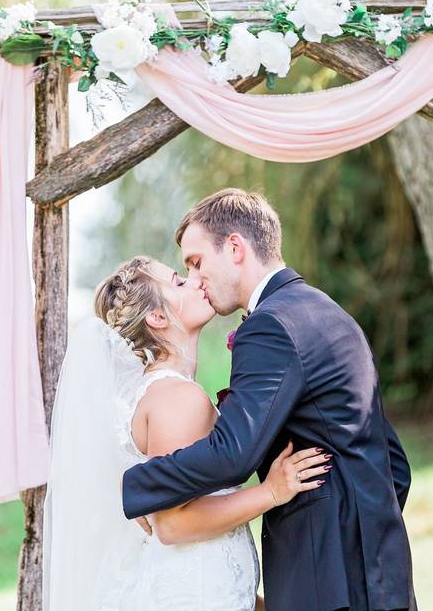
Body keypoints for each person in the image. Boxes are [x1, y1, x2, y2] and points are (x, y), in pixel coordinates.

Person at [121, 188, 415, 611]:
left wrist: (137, 484)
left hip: (326, 588)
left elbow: (235, 454)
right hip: (380, 579)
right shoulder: (327, 311)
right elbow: (394, 465)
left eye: (197, 262)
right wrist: (364, 543)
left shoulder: (271, 325)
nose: (196, 278)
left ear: (235, 248)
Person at [41, 254, 329, 610]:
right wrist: (271, 492)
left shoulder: (160, 392)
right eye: (179, 281)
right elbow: (172, 524)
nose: (195, 281)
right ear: (158, 317)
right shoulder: (175, 397)